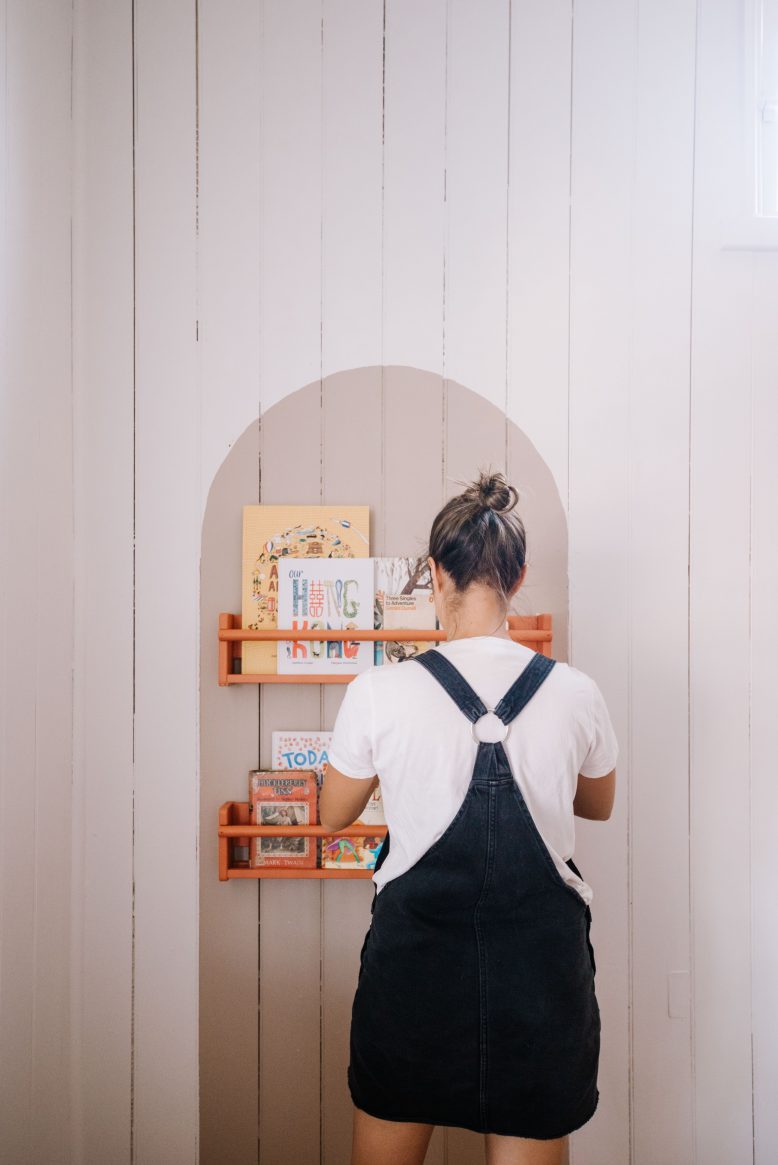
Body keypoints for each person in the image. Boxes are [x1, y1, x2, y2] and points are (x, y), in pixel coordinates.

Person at [319, 470, 618, 1165]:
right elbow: (596, 803)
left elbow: (334, 814)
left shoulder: (378, 693)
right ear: (517, 577)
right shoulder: (575, 693)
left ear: (433, 573)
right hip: (539, 983)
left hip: (414, 975)